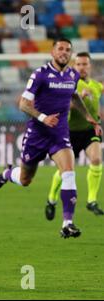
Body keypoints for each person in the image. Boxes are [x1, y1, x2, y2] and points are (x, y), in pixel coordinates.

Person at [0, 38, 102, 238]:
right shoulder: (40, 75)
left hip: (59, 133)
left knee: (69, 172)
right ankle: (9, 174)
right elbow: (24, 104)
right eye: (60, 49)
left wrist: (88, 116)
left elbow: (74, 96)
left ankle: (67, 223)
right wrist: (43, 118)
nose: (64, 53)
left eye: (68, 50)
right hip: (37, 134)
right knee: (26, 179)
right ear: (52, 52)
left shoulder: (72, 75)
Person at [45, 52, 104, 219]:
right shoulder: (67, 84)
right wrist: (78, 100)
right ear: (73, 66)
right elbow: (60, 106)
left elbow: (96, 104)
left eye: (85, 64)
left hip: (89, 130)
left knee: (96, 159)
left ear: (90, 66)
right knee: (65, 171)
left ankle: (91, 200)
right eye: (79, 64)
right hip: (69, 132)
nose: (82, 67)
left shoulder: (97, 86)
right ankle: (51, 199)